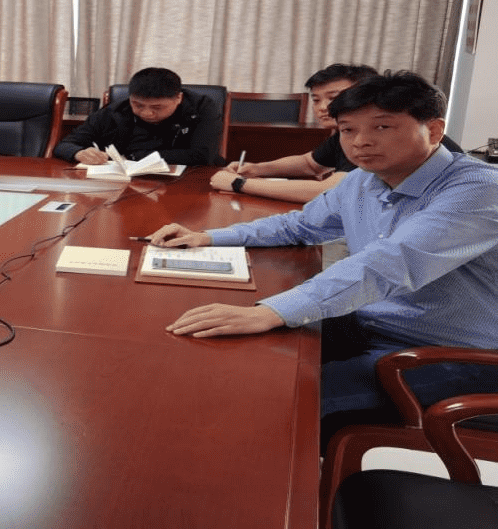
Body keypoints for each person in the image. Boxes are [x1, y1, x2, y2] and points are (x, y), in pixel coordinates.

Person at [149, 71, 498, 440]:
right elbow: (300, 226)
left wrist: (269, 312)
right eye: (348, 130)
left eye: (382, 127)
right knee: (227, 360)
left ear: (434, 130)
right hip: (369, 323)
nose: (361, 142)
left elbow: (389, 265)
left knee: (281, 402)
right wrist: (209, 236)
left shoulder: (478, 189)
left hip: (452, 353)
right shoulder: (364, 179)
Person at [211, 64, 466, 203]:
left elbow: (329, 192)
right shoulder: (348, 133)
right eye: (316, 99)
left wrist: (240, 184)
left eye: (334, 97)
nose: (323, 107)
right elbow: (310, 164)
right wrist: (256, 169)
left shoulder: (389, 147)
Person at [53, 67, 224, 166]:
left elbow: (203, 155)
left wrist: (134, 157)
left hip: (187, 184)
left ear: (178, 98)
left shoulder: (201, 108)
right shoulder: (116, 110)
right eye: (138, 105)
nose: (146, 113)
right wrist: (78, 153)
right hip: (125, 184)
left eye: (157, 107)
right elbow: (65, 145)